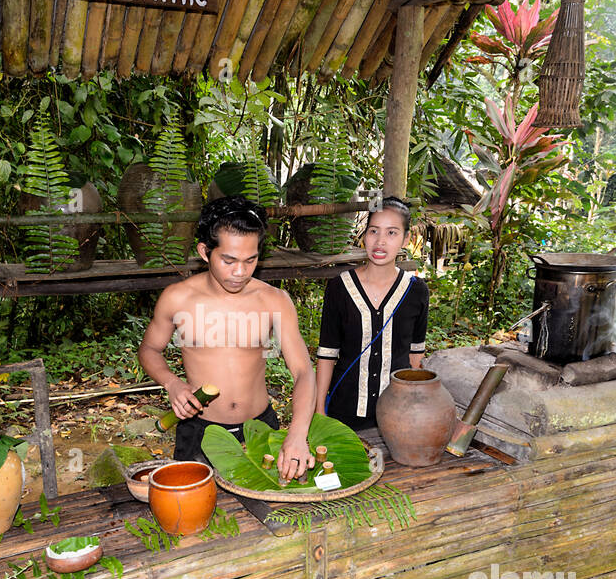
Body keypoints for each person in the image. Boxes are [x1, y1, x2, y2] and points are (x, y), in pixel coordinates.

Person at [139, 196, 317, 482]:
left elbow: (302, 371)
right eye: (229, 260)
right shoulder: (178, 297)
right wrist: (172, 384)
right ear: (204, 252)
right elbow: (149, 349)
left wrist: (297, 433)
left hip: (261, 428)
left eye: (251, 260)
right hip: (199, 429)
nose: (240, 272)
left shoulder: (274, 300)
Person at [314, 195, 429, 432]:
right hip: (344, 410)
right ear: (364, 234)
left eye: (392, 233)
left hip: (397, 413)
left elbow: (415, 357)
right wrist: (318, 409)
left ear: (406, 239)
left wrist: (415, 406)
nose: (380, 242)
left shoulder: (417, 291)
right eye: (374, 231)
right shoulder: (339, 287)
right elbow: (327, 355)